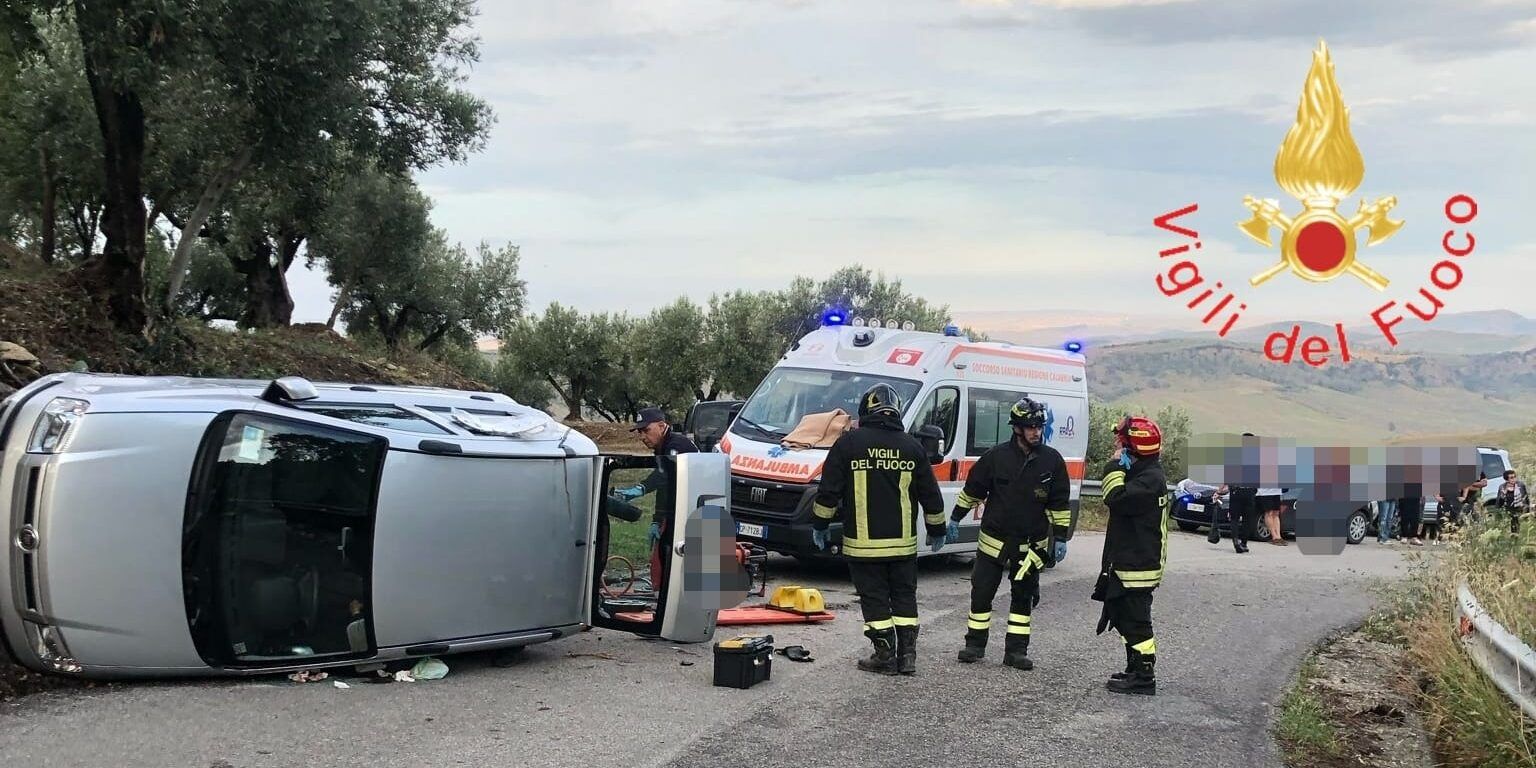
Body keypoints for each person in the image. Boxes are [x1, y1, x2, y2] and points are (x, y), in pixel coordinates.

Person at [810, 384, 946, 676]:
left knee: (874, 599)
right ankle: (907, 656)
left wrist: (820, 525)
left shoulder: (849, 444)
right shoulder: (913, 446)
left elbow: (829, 491)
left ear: (866, 411)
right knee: (904, 597)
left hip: (863, 544)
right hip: (903, 546)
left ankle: (884, 656)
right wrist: (938, 530)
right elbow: (930, 495)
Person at [945, 396, 1071, 670]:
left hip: (1030, 546)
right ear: (1017, 428)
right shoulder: (995, 457)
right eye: (1030, 427)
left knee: (1023, 597)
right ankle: (974, 645)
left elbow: (1059, 503)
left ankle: (1016, 652)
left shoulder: (1052, 461)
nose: (1036, 432)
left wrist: (1060, 537)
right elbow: (973, 491)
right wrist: (955, 518)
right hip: (994, 541)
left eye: (1039, 427)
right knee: (981, 593)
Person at [1093, 415, 1170, 696]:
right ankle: (1133, 667)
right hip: (1129, 561)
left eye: (1121, 441)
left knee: (1136, 621)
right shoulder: (1145, 473)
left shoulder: (1150, 479)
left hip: (1138, 566)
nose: (1117, 444)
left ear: (1133, 446)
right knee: (1123, 616)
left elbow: (1114, 497)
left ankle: (1144, 676)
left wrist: (1114, 465)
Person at [611, 406, 698, 594]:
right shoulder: (662, 447)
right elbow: (664, 489)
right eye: (639, 432)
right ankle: (665, 593)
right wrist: (657, 520)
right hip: (676, 510)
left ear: (661, 425)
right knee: (662, 553)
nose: (642, 436)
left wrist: (640, 488)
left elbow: (664, 475)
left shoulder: (677, 445)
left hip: (691, 511)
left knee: (674, 555)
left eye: (646, 430)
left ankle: (673, 595)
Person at [1496, 469, 1529, 534]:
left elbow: (1526, 498)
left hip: (1521, 508)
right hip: (1510, 511)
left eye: (1514, 477)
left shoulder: (1520, 485)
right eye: (1511, 478)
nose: (1514, 479)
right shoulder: (1502, 487)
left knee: (1524, 527)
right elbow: (1499, 503)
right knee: (1514, 528)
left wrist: (1527, 510)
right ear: (1507, 479)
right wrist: (1504, 494)